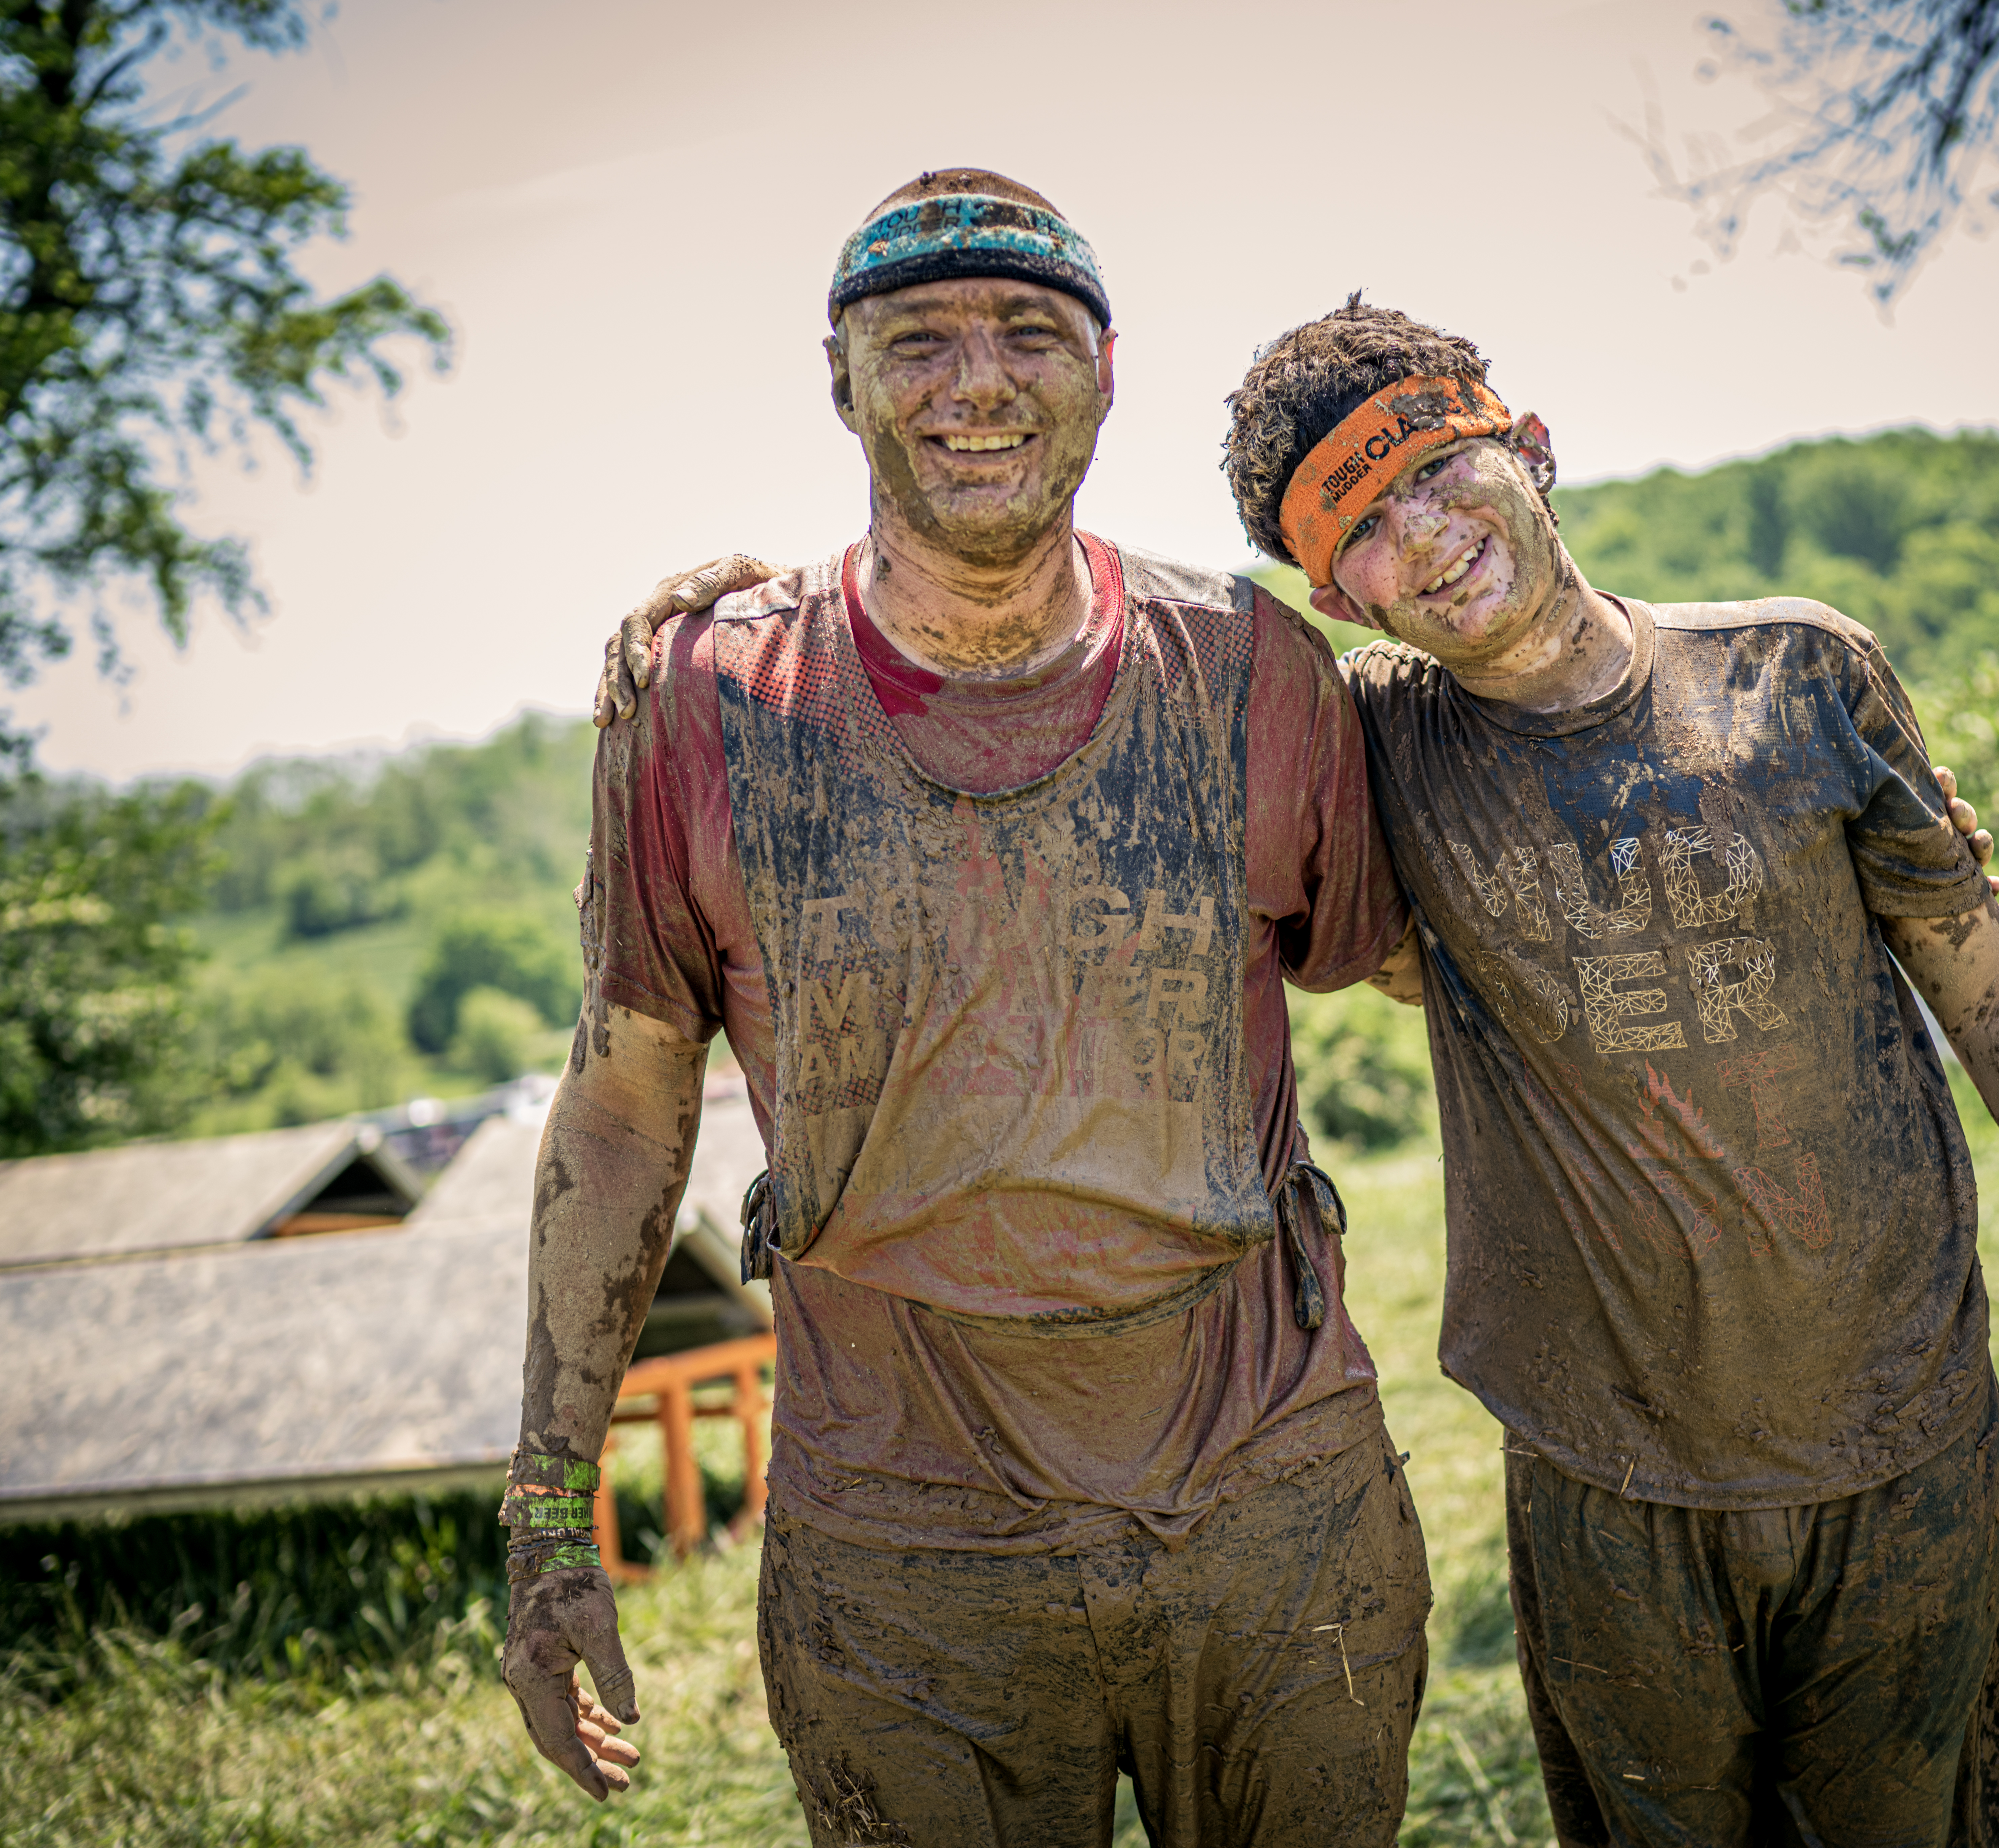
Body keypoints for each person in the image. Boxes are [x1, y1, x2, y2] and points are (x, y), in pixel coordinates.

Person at [498, 174, 1433, 1848]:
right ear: (841, 381)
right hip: (908, 1554)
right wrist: (549, 1518)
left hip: (1276, 1499)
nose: (976, 380)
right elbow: (629, 1100)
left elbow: (1453, 951)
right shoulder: (710, 702)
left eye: (1029, 333)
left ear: (1108, 368)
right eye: (915, 342)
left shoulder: (1248, 669)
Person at [1205, 299, 1999, 1846]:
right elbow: (1102, 677)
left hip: (1907, 1431)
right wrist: (724, 620)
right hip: (1605, 1477)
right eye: (1358, 526)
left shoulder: (1802, 673)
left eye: (1430, 465)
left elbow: (1994, 985)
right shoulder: (1373, 754)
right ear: (1341, 595)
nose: (1420, 533)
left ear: (1525, 444)